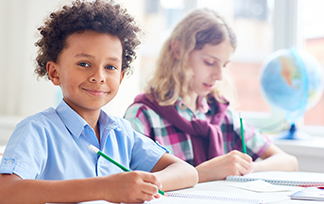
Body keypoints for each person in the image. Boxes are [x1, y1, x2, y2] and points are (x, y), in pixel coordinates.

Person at [0, 1, 198, 203]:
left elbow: (186, 171)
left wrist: (144, 183)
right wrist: (102, 188)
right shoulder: (36, 130)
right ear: (54, 72)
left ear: (121, 77)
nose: (99, 76)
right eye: (84, 64)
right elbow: (5, 190)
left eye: (110, 67)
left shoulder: (122, 132)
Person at [123, 8, 298, 183]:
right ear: (177, 50)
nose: (219, 75)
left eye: (224, 65)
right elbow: (126, 185)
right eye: (209, 62)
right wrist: (201, 174)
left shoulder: (221, 115)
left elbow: (289, 162)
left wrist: (246, 168)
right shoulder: (142, 116)